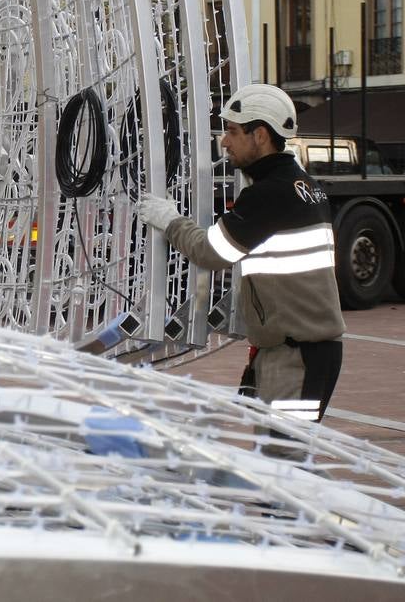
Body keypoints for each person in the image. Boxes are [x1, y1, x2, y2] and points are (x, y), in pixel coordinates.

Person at [137, 84, 345, 451]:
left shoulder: (271, 194)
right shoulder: (303, 186)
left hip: (296, 357)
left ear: (260, 135)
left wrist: (170, 220)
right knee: (279, 459)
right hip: (296, 352)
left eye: (233, 131)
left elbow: (212, 251)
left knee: (283, 462)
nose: (224, 141)